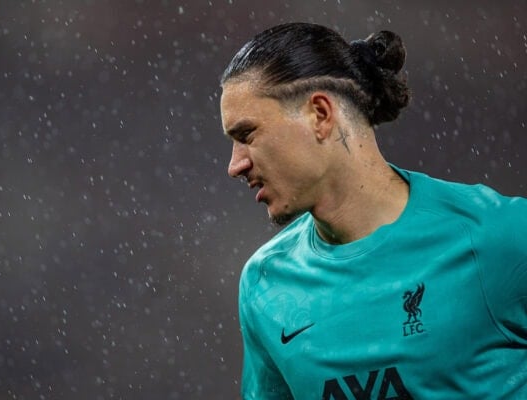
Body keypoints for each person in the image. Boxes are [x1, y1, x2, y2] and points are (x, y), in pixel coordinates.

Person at [219, 22, 527, 399]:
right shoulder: (265, 284)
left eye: (246, 135)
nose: (235, 165)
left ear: (319, 114)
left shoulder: (497, 236)